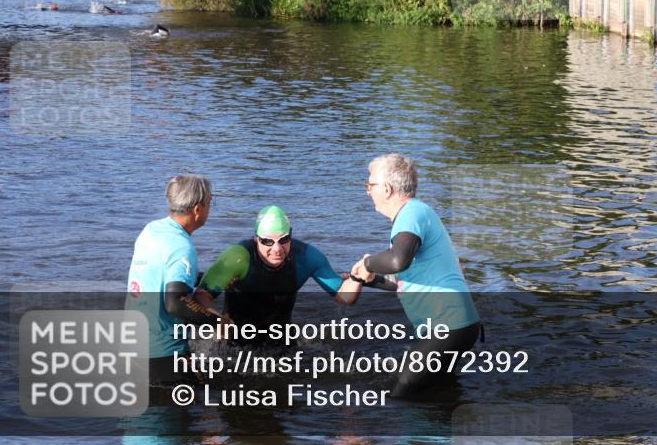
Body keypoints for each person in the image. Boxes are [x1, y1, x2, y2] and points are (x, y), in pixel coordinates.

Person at [352, 153, 481, 397]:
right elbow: (406, 279)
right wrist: (371, 280)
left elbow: (397, 260)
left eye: (370, 185)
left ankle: (413, 436)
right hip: (458, 325)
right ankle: (440, 433)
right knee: (439, 395)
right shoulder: (416, 214)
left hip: (448, 325)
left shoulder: (411, 213)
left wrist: (368, 263)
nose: (368, 191)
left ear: (387, 189)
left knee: (400, 395)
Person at [196, 205, 365, 333]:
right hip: (236, 339)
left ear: (291, 235)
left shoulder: (307, 257)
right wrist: (217, 321)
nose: (277, 249)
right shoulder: (237, 257)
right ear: (256, 239)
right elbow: (201, 296)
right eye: (268, 241)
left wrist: (358, 277)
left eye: (284, 239)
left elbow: (344, 297)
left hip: (282, 340)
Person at [126, 174, 224, 384]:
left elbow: (160, 274)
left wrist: (202, 279)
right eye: (210, 203)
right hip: (163, 353)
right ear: (197, 210)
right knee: (207, 403)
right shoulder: (182, 247)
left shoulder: (151, 230)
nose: (210, 208)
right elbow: (175, 303)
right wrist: (216, 322)